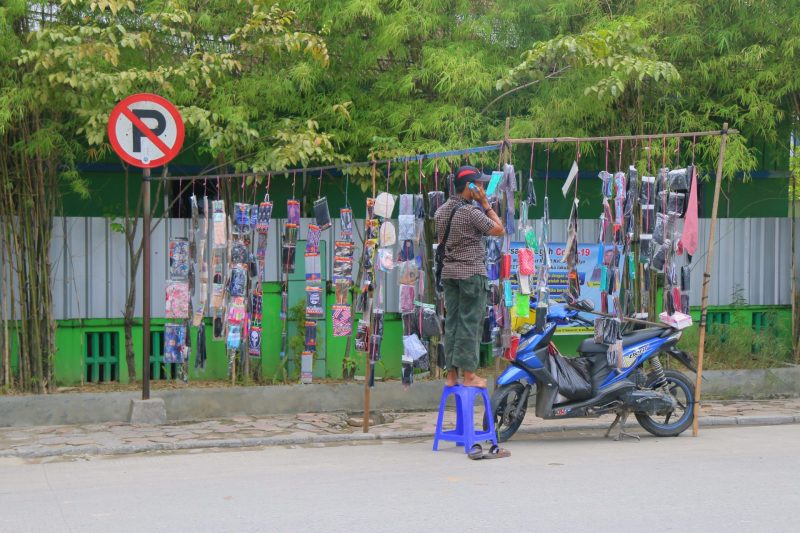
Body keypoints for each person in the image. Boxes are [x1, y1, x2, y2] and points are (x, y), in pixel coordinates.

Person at [435, 165, 505, 389]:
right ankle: (469, 375)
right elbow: (498, 229)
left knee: (453, 324)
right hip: (471, 275)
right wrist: (485, 204)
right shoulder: (472, 212)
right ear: (470, 186)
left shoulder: (441, 211)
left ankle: (451, 376)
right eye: (480, 184)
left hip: (449, 275)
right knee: (470, 325)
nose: (483, 188)